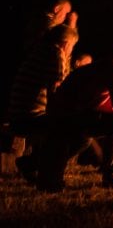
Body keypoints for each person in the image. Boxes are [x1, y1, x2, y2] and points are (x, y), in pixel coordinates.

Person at [36, 41, 113, 192]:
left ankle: (112, 177)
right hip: (71, 119)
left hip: (64, 117)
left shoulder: (97, 68)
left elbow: (105, 105)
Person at [8, 23, 79, 181]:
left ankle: (33, 164)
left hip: (18, 114)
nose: (71, 51)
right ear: (66, 43)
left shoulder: (39, 52)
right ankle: (48, 176)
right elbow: (59, 88)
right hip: (30, 116)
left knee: (73, 129)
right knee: (77, 133)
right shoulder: (55, 53)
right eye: (72, 47)